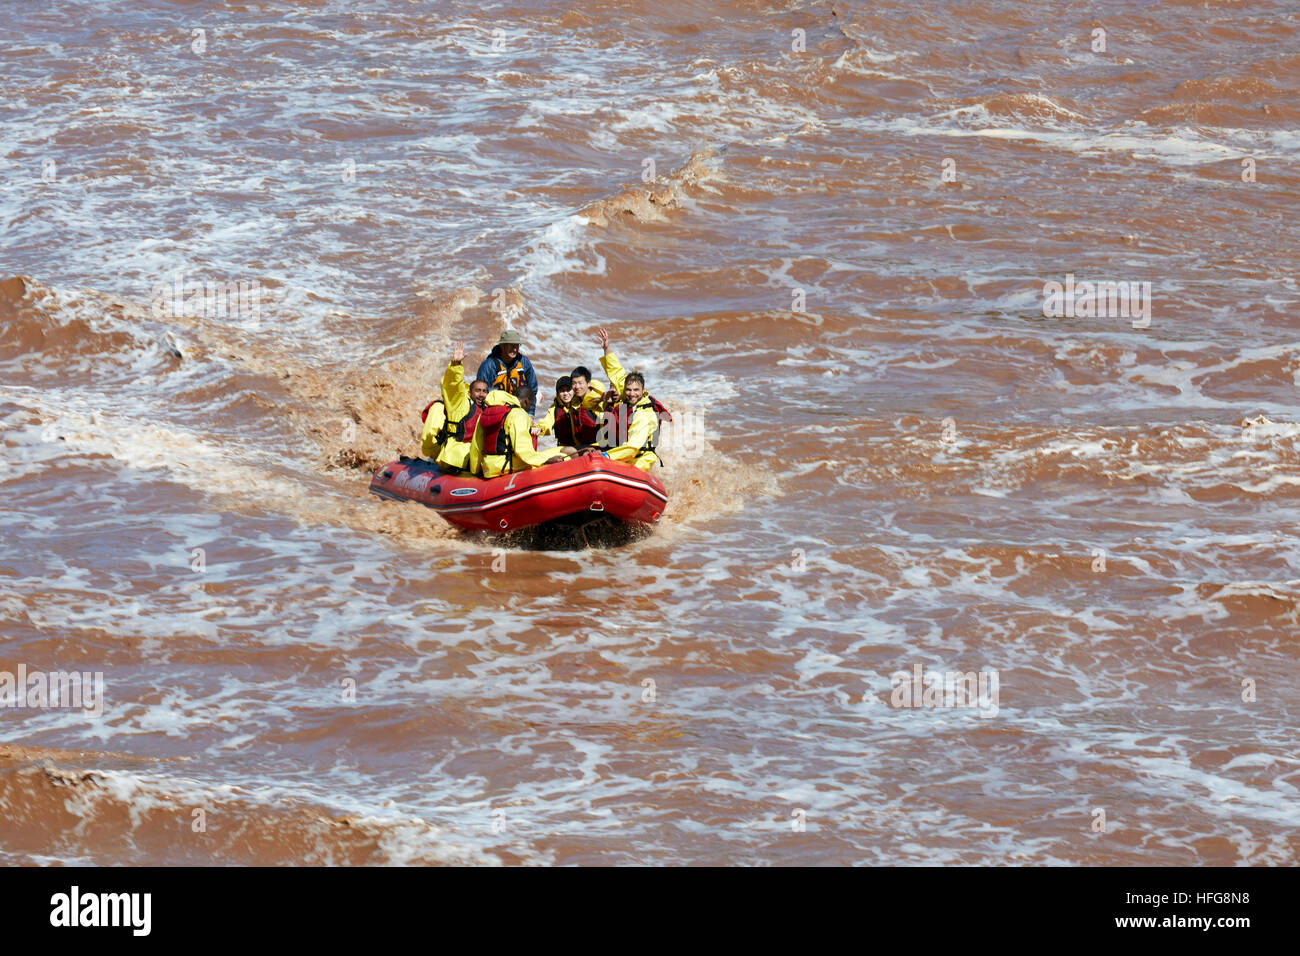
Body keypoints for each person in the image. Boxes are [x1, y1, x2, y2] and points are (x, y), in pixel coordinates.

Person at [594, 327, 669, 471]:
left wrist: (606, 456)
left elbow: (633, 447)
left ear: (643, 391)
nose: (631, 394)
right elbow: (616, 371)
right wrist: (607, 348)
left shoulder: (645, 413)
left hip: (641, 458)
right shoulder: (627, 397)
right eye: (628, 390)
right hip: (623, 454)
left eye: (636, 390)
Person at [469, 385, 568, 478]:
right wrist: (546, 460)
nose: (529, 408)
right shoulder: (518, 414)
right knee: (565, 456)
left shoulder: (486, 412)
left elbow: (476, 446)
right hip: (506, 467)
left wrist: (475, 471)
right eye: (530, 404)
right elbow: (522, 450)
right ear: (526, 401)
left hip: (488, 468)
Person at [422, 342, 489, 472]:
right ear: (469, 393)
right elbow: (452, 386)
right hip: (456, 456)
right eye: (478, 391)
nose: (481, 394)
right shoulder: (460, 404)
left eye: (484, 391)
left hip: (474, 455)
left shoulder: (487, 408)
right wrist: (456, 365)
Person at [533, 375, 604, 452]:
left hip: (591, 445)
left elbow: (596, 390)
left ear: (574, 390)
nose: (565, 394)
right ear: (557, 393)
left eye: (568, 390)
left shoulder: (585, 402)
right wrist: (539, 428)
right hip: (566, 448)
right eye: (562, 391)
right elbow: (547, 422)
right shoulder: (555, 408)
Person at [476, 329, 539, 414]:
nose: (515, 349)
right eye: (511, 346)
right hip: (495, 413)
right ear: (502, 346)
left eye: (517, 346)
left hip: (519, 413)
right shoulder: (488, 365)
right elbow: (481, 394)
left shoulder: (524, 362)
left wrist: (530, 414)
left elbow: (532, 390)